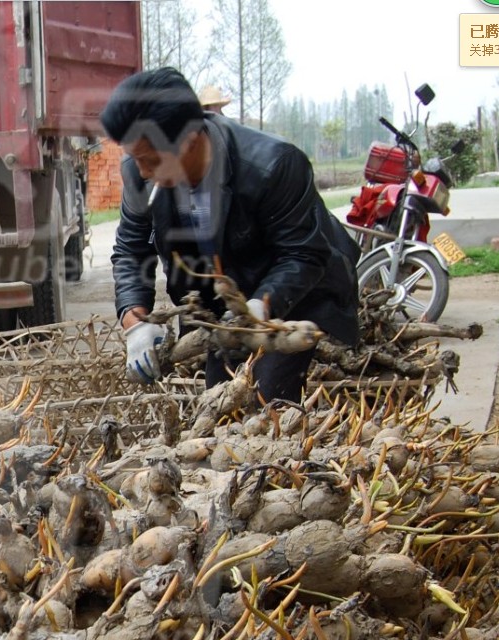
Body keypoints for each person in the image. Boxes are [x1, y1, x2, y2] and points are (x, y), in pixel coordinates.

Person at [103, 67, 360, 403]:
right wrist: (135, 321)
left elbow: (304, 254)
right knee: (219, 399)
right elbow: (131, 251)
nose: (142, 172)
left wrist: (257, 306)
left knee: (261, 399)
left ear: (190, 139)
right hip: (224, 311)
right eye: (135, 159)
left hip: (301, 294)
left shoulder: (274, 165)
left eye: (151, 160)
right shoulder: (140, 173)